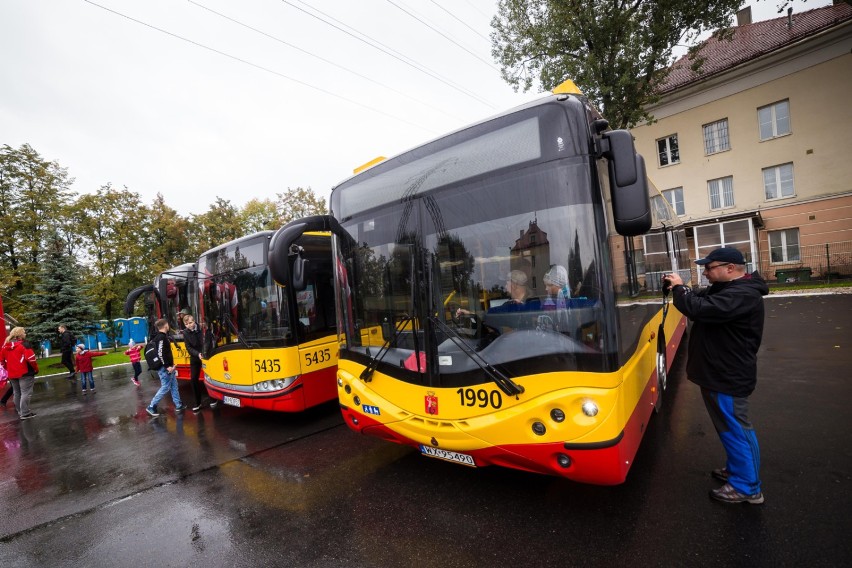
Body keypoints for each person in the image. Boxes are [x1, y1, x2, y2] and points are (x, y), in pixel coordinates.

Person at [665, 247, 769, 505]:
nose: (705, 272)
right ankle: (737, 471)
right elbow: (699, 297)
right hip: (718, 373)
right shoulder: (726, 289)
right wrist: (682, 289)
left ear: (730, 269)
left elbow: (699, 308)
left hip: (728, 376)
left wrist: (679, 289)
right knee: (727, 428)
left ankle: (748, 488)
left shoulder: (743, 294)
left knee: (736, 430)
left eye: (709, 268)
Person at [146, 318, 186, 417]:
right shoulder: (161, 338)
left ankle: (178, 404)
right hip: (165, 368)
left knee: (174, 385)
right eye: (168, 324)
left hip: (168, 367)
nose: (169, 326)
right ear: (165, 326)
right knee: (165, 387)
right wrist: (167, 366)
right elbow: (160, 353)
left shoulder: (161, 337)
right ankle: (151, 406)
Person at [0, 327, 39, 420]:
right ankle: (25, 413)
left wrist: (8, 368)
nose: (25, 334)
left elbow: (2, 361)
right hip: (25, 373)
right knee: (26, 393)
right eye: (24, 332)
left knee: (17, 392)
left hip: (12, 373)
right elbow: (31, 359)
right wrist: (35, 369)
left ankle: (20, 411)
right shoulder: (24, 345)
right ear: (20, 334)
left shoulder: (5, 346)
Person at [182, 314, 216, 412]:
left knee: (210, 377)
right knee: (193, 379)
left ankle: (213, 399)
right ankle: (198, 403)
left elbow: (208, 341)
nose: (189, 325)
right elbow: (188, 347)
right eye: (186, 324)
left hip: (206, 356)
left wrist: (204, 353)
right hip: (195, 357)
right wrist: (198, 354)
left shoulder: (202, 328)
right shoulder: (185, 333)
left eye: (191, 322)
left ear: (194, 321)